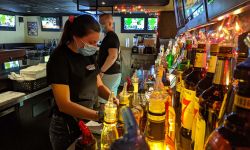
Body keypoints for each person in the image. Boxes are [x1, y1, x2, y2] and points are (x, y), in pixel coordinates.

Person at [47, 15, 118, 150]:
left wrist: (112, 98)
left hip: (87, 120)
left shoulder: (89, 55)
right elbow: (64, 104)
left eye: (96, 42)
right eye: (91, 42)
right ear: (75, 36)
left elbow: (99, 85)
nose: (94, 46)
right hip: (66, 126)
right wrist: (98, 116)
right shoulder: (59, 58)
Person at [98, 14, 121, 103]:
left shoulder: (111, 36)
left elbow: (113, 56)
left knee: (104, 101)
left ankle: (104, 117)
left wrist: (102, 71)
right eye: (100, 23)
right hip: (113, 73)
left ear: (110, 23)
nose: (101, 25)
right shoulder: (109, 36)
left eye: (103, 23)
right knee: (112, 100)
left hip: (109, 73)